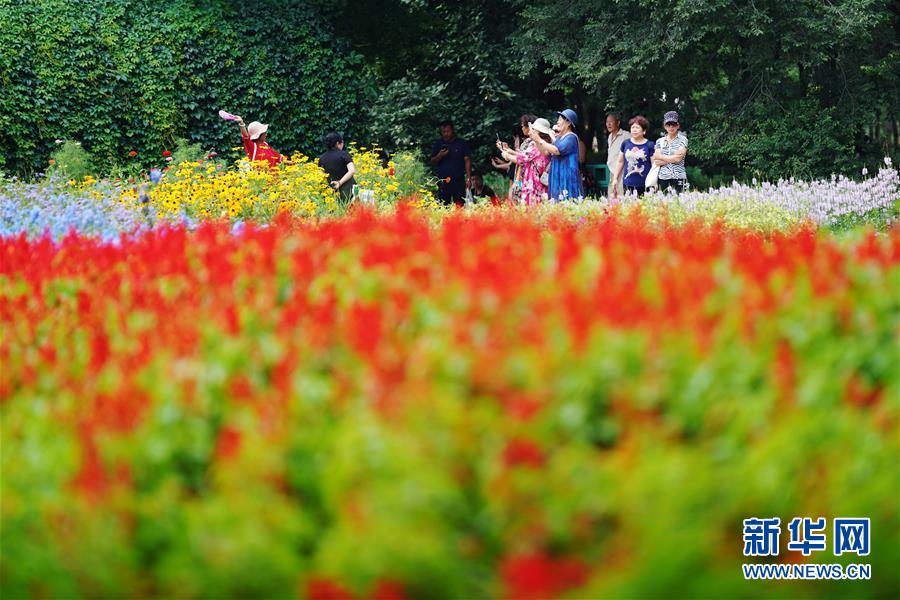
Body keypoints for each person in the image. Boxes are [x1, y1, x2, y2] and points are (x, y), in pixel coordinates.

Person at [529, 109, 582, 201]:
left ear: (568, 122)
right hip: (557, 175)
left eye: (560, 119)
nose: (557, 122)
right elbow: (546, 152)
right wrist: (536, 140)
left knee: (568, 202)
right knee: (557, 203)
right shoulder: (559, 139)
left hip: (566, 175)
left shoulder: (571, 137)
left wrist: (540, 140)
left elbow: (557, 150)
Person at [498, 117, 552, 205]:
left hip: (534, 181)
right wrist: (508, 151)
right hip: (539, 178)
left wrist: (506, 155)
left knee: (532, 206)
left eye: (533, 129)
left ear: (538, 131)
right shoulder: (546, 142)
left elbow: (522, 158)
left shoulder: (535, 144)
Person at [429, 120, 472, 206]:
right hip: (443, 180)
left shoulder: (461, 143)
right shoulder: (438, 144)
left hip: (458, 180)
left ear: (453, 130)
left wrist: (468, 178)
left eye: (448, 131)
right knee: (443, 206)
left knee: (459, 205)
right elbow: (432, 161)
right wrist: (440, 155)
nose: (446, 134)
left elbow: (467, 160)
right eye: (443, 132)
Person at [611, 115, 655, 198]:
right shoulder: (625, 143)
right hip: (628, 183)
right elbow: (620, 162)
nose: (634, 130)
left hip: (646, 183)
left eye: (637, 127)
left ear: (644, 131)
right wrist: (615, 178)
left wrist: (654, 182)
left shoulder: (650, 145)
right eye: (632, 127)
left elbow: (654, 165)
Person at [652, 111, 688, 193]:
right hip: (663, 177)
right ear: (664, 126)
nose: (671, 127)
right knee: (664, 204)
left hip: (679, 177)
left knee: (680, 203)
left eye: (674, 124)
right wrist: (673, 158)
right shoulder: (659, 141)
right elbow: (656, 160)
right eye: (668, 124)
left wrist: (662, 158)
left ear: (678, 125)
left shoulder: (683, 139)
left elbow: (678, 159)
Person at [318, 132, 357, 202]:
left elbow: (320, 177)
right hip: (348, 191)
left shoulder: (321, 158)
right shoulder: (344, 154)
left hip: (331, 195)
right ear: (337, 143)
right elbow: (352, 170)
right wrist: (339, 182)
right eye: (342, 142)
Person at [605, 114, 628, 197]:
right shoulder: (609, 137)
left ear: (618, 123)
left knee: (621, 196)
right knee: (611, 197)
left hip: (623, 172)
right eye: (607, 122)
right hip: (612, 171)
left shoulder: (626, 135)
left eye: (611, 122)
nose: (608, 124)